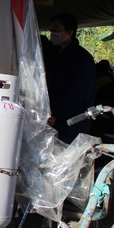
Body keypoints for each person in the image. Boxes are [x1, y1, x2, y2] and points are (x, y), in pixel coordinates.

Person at [45, 13, 96, 143]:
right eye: (51, 30)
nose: (53, 33)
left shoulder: (83, 59)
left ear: (70, 32)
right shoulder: (51, 54)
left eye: (57, 29)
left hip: (71, 125)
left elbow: (77, 94)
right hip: (50, 121)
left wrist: (54, 113)